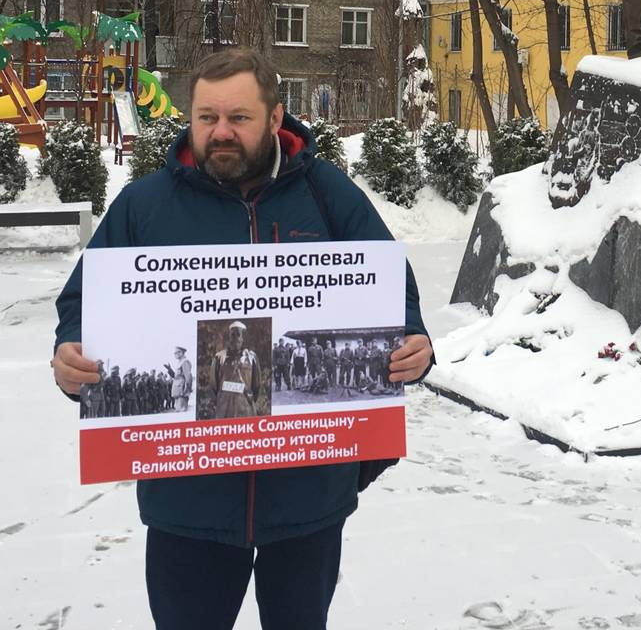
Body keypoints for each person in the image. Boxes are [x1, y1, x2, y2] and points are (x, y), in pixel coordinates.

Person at [51, 48, 433, 630]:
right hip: (188, 500)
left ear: (275, 117)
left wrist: (414, 344)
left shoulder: (328, 196)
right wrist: (70, 353)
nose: (220, 132)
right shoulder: (145, 206)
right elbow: (84, 303)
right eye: (206, 117)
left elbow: (392, 293)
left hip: (307, 494)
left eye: (238, 118)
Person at [211, 321, 261, 419]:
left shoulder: (252, 357)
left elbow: (256, 386)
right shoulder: (219, 357)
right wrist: (221, 402)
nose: (235, 338)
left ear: (243, 338)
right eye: (232, 335)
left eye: (238, 335)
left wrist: (248, 400)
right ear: (229, 337)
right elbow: (213, 386)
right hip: (224, 411)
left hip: (246, 410)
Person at [171, 347, 192, 412]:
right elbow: (176, 376)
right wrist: (169, 370)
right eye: (174, 353)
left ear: (181, 353)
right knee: (178, 409)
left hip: (182, 390)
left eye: (177, 352)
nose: (175, 354)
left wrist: (186, 389)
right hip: (177, 390)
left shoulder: (185, 362)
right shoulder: (180, 362)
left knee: (181, 410)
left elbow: (188, 377)